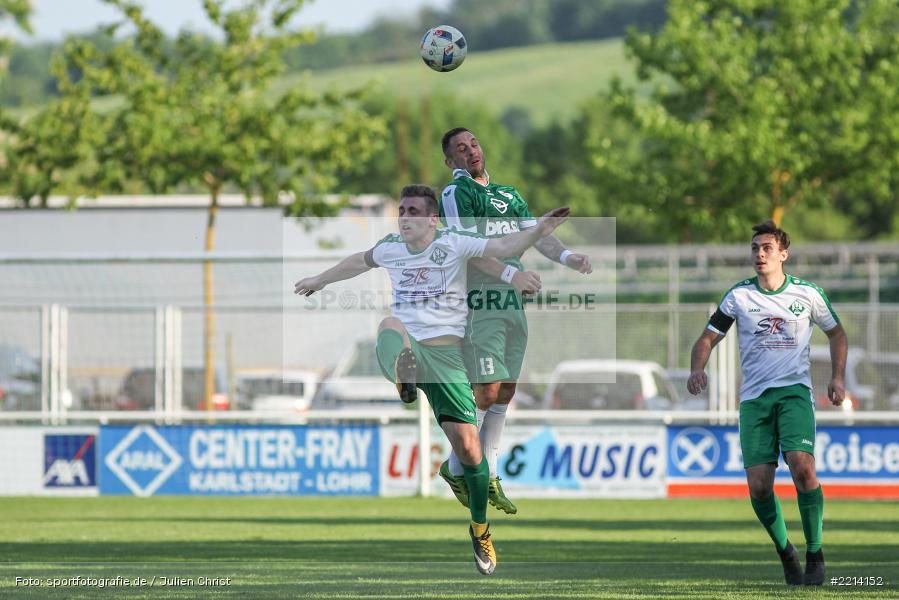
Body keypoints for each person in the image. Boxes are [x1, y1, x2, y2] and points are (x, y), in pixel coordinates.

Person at [295, 184, 570, 575]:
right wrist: (320, 280)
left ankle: (480, 530)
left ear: (432, 218)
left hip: (447, 358)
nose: (404, 217)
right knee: (389, 324)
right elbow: (358, 260)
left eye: (412, 211)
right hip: (410, 344)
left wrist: (539, 231)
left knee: (471, 451)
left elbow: (504, 245)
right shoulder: (391, 246)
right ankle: (402, 377)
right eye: (401, 210)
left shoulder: (454, 243)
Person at [436, 127, 593, 515]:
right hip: (481, 301)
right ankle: (456, 466)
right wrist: (511, 275)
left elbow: (537, 236)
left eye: (473, 142)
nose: (470, 150)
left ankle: (486, 474)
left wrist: (569, 257)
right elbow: (465, 250)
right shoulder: (458, 193)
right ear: (450, 161)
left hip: (512, 304)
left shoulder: (510, 194)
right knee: (486, 392)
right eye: (460, 148)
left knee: (505, 392)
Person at [687, 220, 847, 586]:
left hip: (794, 393)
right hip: (755, 401)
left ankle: (815, 552)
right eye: (755, 248)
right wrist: (697, 368)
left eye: (767, 248)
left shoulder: (807, 294)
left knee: (801, 466)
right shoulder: (739, 296)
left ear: (783, 255)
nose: (759, 254)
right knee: (759, 487)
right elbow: (707, 338)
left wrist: (837, 377)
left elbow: (837, 333)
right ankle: (786, 553)